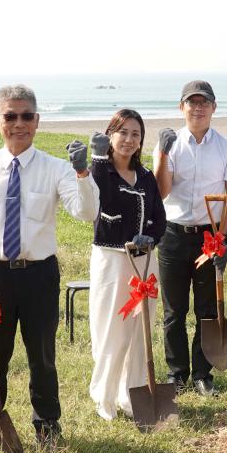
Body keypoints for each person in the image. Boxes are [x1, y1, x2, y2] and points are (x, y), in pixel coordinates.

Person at [0, 85, 99, 453]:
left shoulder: (57, 168)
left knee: (42, 356)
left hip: (39, 275)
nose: (19, 123)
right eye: (10, 116)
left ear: (37, 120)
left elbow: (85, 212)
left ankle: (47, 426)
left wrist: (84, 173)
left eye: (26, 116)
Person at [69, 110, 166, 420]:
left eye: (136, 134)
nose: (129, 139)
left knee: (141, 330)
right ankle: (105, 397)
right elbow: (100, 202)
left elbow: (160, 218)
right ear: (111, 136)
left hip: (145, 261)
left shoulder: (147, 176)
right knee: (112, 330)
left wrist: (149, 237)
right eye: (122, 132)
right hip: (112, 262)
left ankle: (134, 394)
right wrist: (97, 160)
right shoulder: (103, 172)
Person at [152, 80, 227, 397]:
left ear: (214, 108)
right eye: (192, 102)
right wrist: (162, 153)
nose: (198, 108)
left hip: (208, 236)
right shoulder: (170, 144)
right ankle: (177, 373)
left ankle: (202, 374)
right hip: (173, 234)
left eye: (204, 103)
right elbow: (161, 191)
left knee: (207, 308)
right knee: (174, 311)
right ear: (182, 107)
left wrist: (223, 238)